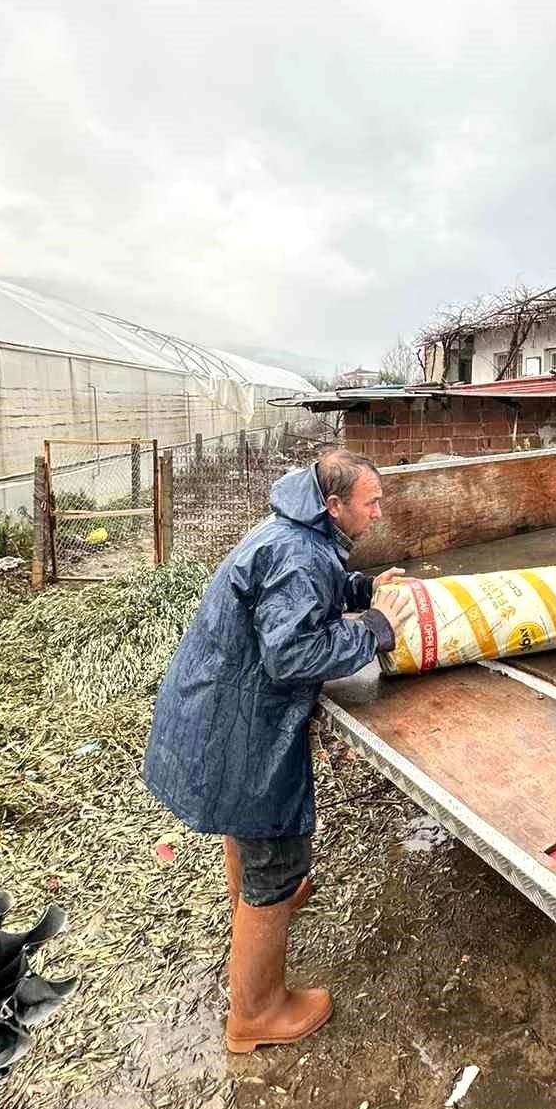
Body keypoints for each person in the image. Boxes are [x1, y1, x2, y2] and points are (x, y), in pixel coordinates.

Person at [143, 449, 410, 1053]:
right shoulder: (297, 552)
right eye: (371, 503)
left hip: (216, 708)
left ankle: (251, 907)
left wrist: (364, 587)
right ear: (335, 505)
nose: (378, 512)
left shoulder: (297, 529)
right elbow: (292, 654)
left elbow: (315, 590)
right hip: (242, 724)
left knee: (247, 826)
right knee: (276, 853)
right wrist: (375, 627)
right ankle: (256, 1012)